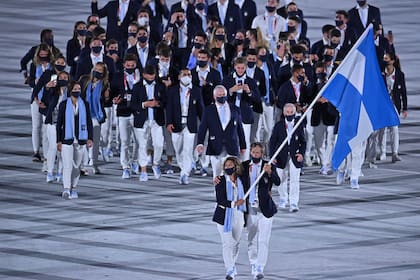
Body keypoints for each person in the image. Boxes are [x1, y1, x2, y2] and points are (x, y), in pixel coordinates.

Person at [242, 142, 280, 279]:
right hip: (250, 208)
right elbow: (233, 179)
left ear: (262, 154)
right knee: (251, 238)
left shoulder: (268, 165)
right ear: (250, 152)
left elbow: (278, 181)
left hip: (265, 209)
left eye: (258, 153)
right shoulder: (244, 166)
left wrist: (270, 172)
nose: (255, 155)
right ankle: (253, 262)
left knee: (263, 240)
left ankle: (260, 266)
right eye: (253, 152)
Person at [196, 85, 246, 178]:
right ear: (214, 97)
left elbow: (240, 129)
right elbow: (202, 128)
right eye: (219, 95)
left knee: (232, 175)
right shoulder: (208, 110)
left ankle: (231, 192)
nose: (222, 96)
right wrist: (200, 143)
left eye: (223, 94)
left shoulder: (235, 109)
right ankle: (218, 192)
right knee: (217, 175)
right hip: (215, 147)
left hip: (231, 146)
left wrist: (243, 145)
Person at [56, 81, 93, 199]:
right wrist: (59, 141)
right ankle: (66, 188)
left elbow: (89, 122)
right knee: (67, 165)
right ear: (70, 90)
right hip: (67, 139)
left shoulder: (85, 104)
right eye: (75, 89)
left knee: (77, 166)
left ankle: (74, 187)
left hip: (81, 140)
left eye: (79, 89)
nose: (77, 91)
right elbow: (59, 124)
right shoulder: (63, 104)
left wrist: (90, 138)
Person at [166, 69, 204, 184]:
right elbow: (169, 108)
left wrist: (204, 124)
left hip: (190, 124)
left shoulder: (196, 90)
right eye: (184, 75)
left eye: (188, 75)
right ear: (179, 77)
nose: (186, 76)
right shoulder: (172, 90)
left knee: (187, 150)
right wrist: (168, 123)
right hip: (176, 124)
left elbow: (201, 109)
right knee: (178, 150)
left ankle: (184, 173)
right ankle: (184, 166)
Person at [212, 156, 247, 280]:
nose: (227, 167)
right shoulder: (220, 180)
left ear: (236, 166)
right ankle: (230, 269)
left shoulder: (242, 179)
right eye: (226, 166)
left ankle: (232, 264)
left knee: (236, 244)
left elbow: (251, 164)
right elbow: (220, 200)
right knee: (227, 244)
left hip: (239, 216)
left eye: (230, 165)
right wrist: (234, 203)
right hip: (223, 216)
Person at [130, 65, 166, 181]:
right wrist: (144, 104)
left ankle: (155, 164)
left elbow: (165, 102)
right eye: (148, 77)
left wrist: (158, 104)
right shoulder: (137, 87)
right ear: (144, 75)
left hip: (156, 120)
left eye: (153, 77)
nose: (151, 79)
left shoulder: (160, 86)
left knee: (159, 144)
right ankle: (143, 170)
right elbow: (132, 105)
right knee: (142, 145)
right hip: (142, 121)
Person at [269, 103, 306, 212]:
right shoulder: (279, 126)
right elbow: (272, 142)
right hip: (281, 157)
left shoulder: (299, 125)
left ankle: (294, 202)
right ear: (284, 113)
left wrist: (301, 154)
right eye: (287, 112)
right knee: (282, 179)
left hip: (295, 157)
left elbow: (303, 142)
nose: (289, 114)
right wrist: (272, 156)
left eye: (291, 112)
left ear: (295, 113)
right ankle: (283, 199)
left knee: (295, 180)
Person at [223, 57, 261, 161]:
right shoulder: (227, 80)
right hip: (230, 114)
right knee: (231, 139)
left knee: (245, 141)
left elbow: (257, 99)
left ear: (245, 68)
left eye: (242, 68)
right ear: (235, 67)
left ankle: (244, 163)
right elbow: (220, 96)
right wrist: (230, 90)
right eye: (238, 68)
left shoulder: (251, 81)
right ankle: (232, 163)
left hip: (245, 115)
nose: (240, 70)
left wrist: (249, 92)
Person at [111, 53, 140, 178]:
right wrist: (114, 100)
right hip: (123, 112)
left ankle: (134, 161)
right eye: (128, 65)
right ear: (124, 65)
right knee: (125, 141)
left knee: (138, 141)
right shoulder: (117, 76)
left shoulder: (140, 76)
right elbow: (112, 92)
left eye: (132, 65)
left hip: (137, 112)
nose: (130, 67)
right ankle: (125, 167)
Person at [80, 62, 110, 173]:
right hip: (84, 114)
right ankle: (84, 160)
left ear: (103, 73)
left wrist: (107, 97)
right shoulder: (84, 80)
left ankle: (93, 160)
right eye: (95, 69)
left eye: (100, 70)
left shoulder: (105, 85)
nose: (97, 72)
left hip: (96, 116)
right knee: (84, 138)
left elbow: (106, 101)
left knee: (95, 139)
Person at [27, 43, 55, 164]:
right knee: (36, 126)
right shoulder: (34, 65)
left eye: (46, 55)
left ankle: (47, 154)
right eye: (41, 55)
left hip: (47, 99)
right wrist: (35, 82)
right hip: (36, 98)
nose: (43, 57)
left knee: (46, 127)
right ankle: (36, 151)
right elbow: (30, 81)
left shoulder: (52, 67)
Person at [43, 71, 70, 183]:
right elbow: (46, 98)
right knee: (53, 147)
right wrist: (47, 88)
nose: (63, 79)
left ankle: (60, 172)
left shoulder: (71, 92)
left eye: (65, 77)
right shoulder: (54, 90)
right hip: (53, 123)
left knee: (63, 149)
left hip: (65, 123)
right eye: (61, 77)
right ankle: (50, 172)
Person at [381, 52, 407, 163]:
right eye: (384, 59)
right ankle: (382, 152)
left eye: (387, 59)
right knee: (381, 130)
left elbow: (403, 92)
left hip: (394, 105)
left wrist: (404, 108)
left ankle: (394, 153)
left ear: (392, 61)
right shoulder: (380, 74)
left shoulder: (400, 75)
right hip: (382, 105)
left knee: (394, 129)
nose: (385, 61)